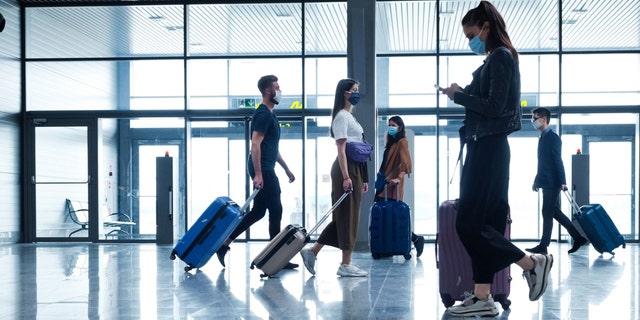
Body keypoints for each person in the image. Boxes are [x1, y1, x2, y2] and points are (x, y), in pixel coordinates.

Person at [438, 1, 553, 317]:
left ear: (486, 28)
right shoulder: (494, 60)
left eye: (472, 34)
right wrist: (462, 95)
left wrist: (460, 95)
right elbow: (484, 105)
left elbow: (494, 106)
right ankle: (482, 297)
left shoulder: (501, 57)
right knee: (485, 225)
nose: (470, 41)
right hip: (484, 147)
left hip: (490, 149)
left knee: (468, 224)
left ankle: (532, 263)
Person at [216, 75, 298, 270]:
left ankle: (224, 244)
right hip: (262, 168)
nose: (280, 91)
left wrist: (286, 169)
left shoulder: (271, 115)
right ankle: (275, 256)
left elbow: (272, 147)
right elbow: (255, 144)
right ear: (268, 91)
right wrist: (259, 174)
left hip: (266, 166)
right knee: (276, 210)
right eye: (277, 87)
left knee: (258, 212)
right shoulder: (263, 114)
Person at [300, 78, 369, 277]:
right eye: (353, 90)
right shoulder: (341, 117)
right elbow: (341, 149)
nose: (356, 93)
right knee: (349, 216)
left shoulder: (350, 116)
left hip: (354, 167)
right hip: (345, 168)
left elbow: (359, 147)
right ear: (344, 93)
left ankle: (312, 252)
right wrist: (347, 177)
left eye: (357, 89)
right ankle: (345, 264)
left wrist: (362, 177)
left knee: (344, 215)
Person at [529, 107, 588, 255]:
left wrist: (563, 181)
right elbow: (542, 163)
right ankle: (578, 237)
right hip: (545, 181)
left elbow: (557, 160)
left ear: (543, 119)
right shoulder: (543, 137)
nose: (533, 121)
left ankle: (544, 245)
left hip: (552, 182)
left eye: (535, 118)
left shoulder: (553, 138)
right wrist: (536, 181)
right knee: (554, 212)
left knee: (547, 212)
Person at [373, 115, 425, 257]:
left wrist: (399, 178)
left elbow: (406, 162)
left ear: (400, 127)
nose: (391, 127)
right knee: (385, 216)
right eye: (389, 124)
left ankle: (415, 239)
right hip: (382, 183)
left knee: (392, 216)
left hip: (391, 185)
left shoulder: (402, 142)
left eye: (394, 125)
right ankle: (388, 246)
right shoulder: (391, 143)